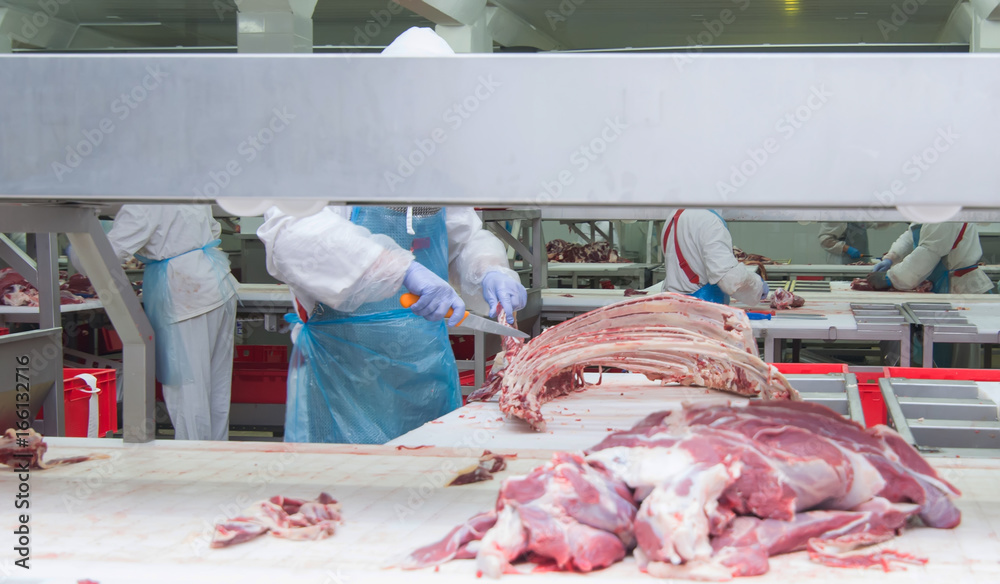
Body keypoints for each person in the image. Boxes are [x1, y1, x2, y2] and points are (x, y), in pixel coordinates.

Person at [257, 29, 528, 446]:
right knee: (341, 496)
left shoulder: (440, 158)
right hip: (343, 368)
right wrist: (398, 269)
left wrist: (489, 269)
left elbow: (463, 235)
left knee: (434, 490)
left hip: (426, 366)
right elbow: (291, 235)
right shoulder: (330, 150)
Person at [69, 205, 238, 440]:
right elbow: (213, 228)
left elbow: (104, 256)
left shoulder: (143, 200)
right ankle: (216, 459)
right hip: (217, 284)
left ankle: (194, 463)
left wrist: (75, 245)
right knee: (215, 388)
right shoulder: (183, 184)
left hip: (184, 295)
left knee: (187, 390)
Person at [660, 209, 768, 306]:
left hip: (672, 306)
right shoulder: (709, 221)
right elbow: (729, 279)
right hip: (702, 311)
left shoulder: (673, 215)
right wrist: (757, 286)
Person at [866, 222, 992, 294]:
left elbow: (927, 252)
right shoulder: (928, 211)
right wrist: (892, 257)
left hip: (963, 289)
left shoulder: (945, 212)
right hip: (941, 284)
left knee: (958, 336)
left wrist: (892, 278)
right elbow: (910, 237)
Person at [817, 222, 891, 264]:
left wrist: (894, 216)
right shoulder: (836, 214)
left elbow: (875, 223)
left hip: (860, 266)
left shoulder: (859, 213)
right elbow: (825, 240)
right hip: (841, 267)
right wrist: (847, 249)